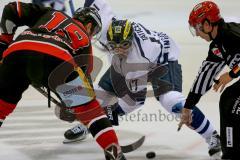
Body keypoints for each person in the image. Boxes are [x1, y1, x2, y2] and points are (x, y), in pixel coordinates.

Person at [63, 0, 222, 158]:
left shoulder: (137, 58)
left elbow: (135, 101)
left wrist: (107, 115)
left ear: (130, 42)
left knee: (171, 101)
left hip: (162, 60)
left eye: (124, 46)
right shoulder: (106, 29)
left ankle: (212, 136)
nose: (118, 51)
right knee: (98, 94)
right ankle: (89, 124)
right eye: (113, 47)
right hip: (129, 63)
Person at [0, 2, 126, 160]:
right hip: (57, 58)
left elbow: (12, 9)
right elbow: (84, 92)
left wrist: (3, 44)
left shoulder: (50, 13)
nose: (92, 35)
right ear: (88, 26)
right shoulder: (86, 43)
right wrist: (72, 106)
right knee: (91, 112)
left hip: (17, 51)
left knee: (1, 106)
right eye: (93, 31)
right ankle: (115, 155)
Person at [178, 1, 240, 159]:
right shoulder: (217, 46)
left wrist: (232, 74)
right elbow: (204, 77)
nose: (197, 33)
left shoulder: (232, 35)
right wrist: (188, 107)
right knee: (229, 99)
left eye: (197, 28)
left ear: (207, 24)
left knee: (231, 103)